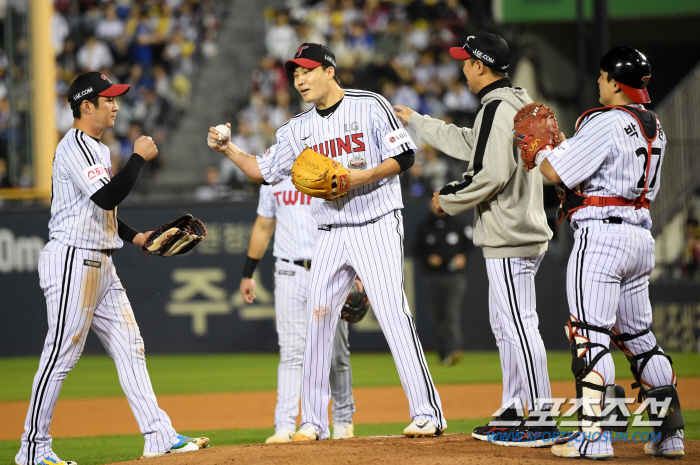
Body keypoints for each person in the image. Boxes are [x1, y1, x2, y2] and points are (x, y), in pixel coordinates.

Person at [208, 43, 446, 440]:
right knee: (318, 319)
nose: (299, 79)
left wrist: (359, 177)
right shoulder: (296, 129)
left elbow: (405, 157)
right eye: (295, 74)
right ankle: (314, 422)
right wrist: (228, 148)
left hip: (375, 221)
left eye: (307, 71)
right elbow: (262, 171)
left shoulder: (369, 105)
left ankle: (427, 412)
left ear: (330, 71)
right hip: (330, 230)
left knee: (391, 313)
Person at [15, 72, 209, 465]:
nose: (117, 105)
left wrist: (136, 237)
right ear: (87, 106)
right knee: (60, 356)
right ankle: (33, 450)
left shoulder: (98, 150)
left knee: (130, 347)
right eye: (109, 100)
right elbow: (107, 197)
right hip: (73, 259)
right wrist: (138, 156)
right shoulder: (77, 147)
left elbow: (98, 209)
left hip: (100, 261)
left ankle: (159, 436)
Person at [394, 32, 559, 447]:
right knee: (505, 325)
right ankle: (512, 409)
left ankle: (540, 417)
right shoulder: (513, 102)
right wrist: (417, 120)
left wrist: (447, 199)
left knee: (519, 326)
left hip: (510, 232)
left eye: (466, 61)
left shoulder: (497, 108)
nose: (462, 66)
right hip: (521, 228)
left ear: (480, 66)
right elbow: (473, 145)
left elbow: (489, 174)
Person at [536, 47, 685, 459]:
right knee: (640, 340)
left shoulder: (604, 121)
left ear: (615, 82)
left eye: (603, 77)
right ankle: (670, 437)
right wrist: (564, 146)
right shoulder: (654, 125)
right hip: (639, 236)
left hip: (602, 236)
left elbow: (556, 173)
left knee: (589, 335)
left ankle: (594, 438)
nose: (598, 83)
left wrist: (541, 149)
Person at [240, 177, 356, 443]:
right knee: (292, 350)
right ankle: (284, 424)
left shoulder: (329, 168)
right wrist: (248, 273)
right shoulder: (272, 178)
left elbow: (349, 220)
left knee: (336, 352)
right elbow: (263, 226)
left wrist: (355, 269)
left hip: (331, 267)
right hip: (288, 270)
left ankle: (342, 421)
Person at [414, 201, 471, 366]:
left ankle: (453, 349)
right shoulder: (425, 226)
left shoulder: (457, 224)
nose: (437, 205)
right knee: (437, 316)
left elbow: (469, 245)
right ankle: (443, 353)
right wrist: (428, 258)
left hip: (454, 277)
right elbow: (417, 249)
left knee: (451, 313)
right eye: (434, 202)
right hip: (433, 277)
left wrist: (463, 256)